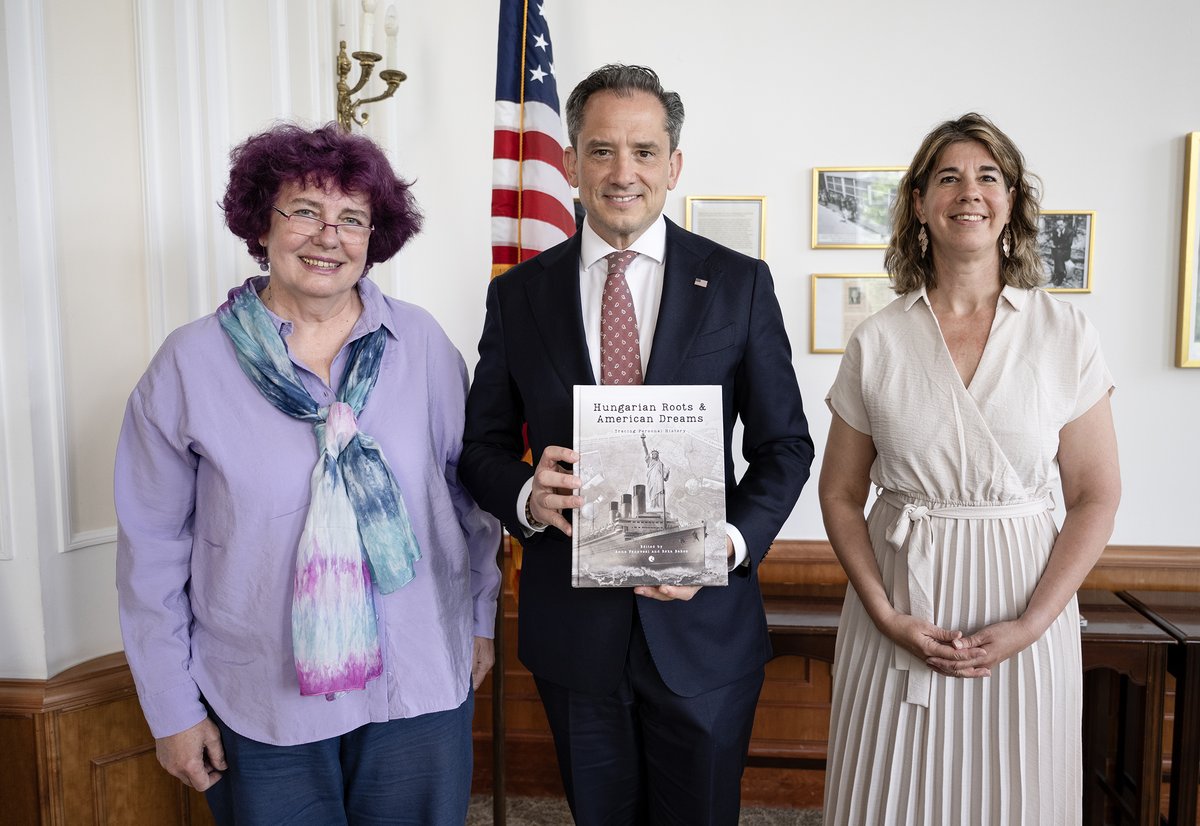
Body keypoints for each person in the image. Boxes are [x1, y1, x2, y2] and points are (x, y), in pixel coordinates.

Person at [114, 123, 501, 825]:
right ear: (260, 224)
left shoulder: (424, 347)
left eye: (352, 218)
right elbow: (151, 549)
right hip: (263, 701)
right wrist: (171, 706)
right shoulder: (188, 365)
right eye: (303, 212)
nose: (329, 236)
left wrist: (479, 621)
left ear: (373, 237)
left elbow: (466, 505)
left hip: (416, 683)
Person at [460, 64, 813, 824]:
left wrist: (726, 541)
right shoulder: (518, 295)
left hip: (704, 633)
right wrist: (526, 492)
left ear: (674, 165)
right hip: (573, 638)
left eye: (645, 152)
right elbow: (479, 447)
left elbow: (786, 447)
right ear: (569, 162)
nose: (624, 173)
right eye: (602, 151)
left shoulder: (740, 284)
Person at [819, 113, 1120, 825]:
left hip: (1026, 613)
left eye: (989, 176)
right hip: (897, 607)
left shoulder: (1064, 333)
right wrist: (886, 615)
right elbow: (837, 492)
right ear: (919, 203)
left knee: (1017, 800)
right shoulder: (878, 339)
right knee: (885, 800)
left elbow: (1095, 495)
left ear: (1011, 201)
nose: (970, 191)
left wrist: (1030, 625)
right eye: (948, 177)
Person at [640, 433, 670, 511]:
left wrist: (667, 472)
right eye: (652, 454)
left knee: (660, 490)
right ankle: (654, 506)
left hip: (659, 479)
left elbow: (665, 476)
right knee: (653, 492)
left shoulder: (660, 463)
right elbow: (646, 451)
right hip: (652, 479)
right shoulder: (650, 461)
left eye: (655, 454)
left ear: (657, 455)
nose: (654, 455)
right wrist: (643, 441)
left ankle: (660, 506)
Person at [1050, 215, 1075, 286]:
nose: (1059, 226)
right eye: (1058, 225)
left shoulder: (1070, 232)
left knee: (1057, 253)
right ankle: (1059, 273)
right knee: (1057, 253)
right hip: (1058, 251)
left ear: (1064, 224)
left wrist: (1057, 246)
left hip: (1066, 252)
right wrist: (1058, 234)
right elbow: (1055, 242)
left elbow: (1069, 244)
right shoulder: (1056, 231)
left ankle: (1059, 275)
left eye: (1061, 225)